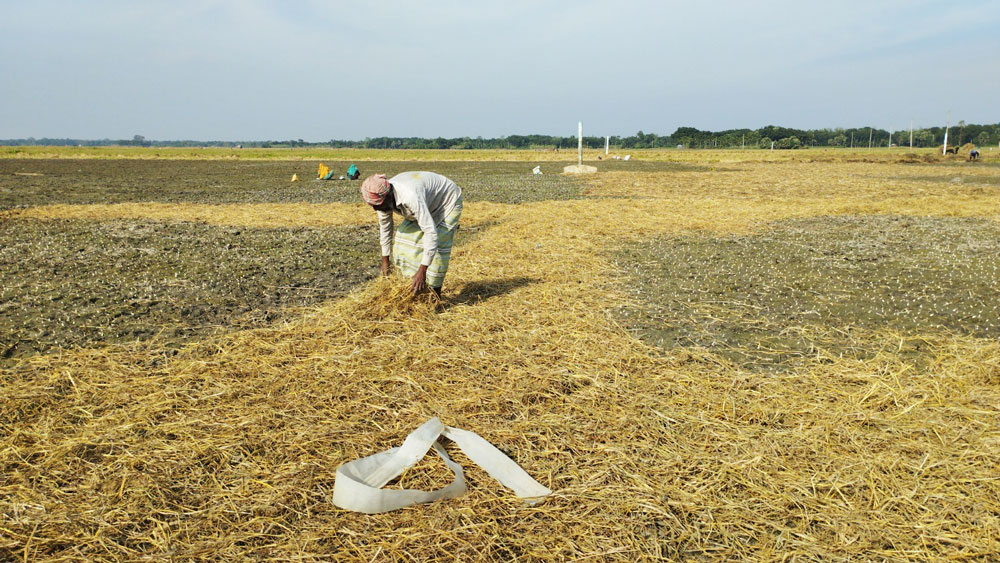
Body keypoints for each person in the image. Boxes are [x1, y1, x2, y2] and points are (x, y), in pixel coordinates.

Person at [361, 172, 463, 296]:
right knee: (402, 243)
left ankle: (436, 297)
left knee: (438, 252)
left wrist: (422, 270)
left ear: (388, 196)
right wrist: (385, 261)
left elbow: (430, 232)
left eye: (377, 205)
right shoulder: (382, 201)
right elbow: (385, 229)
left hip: (446, 202)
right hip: (426, 203)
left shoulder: (410, 196)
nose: (375, 209)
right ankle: (414, 288)